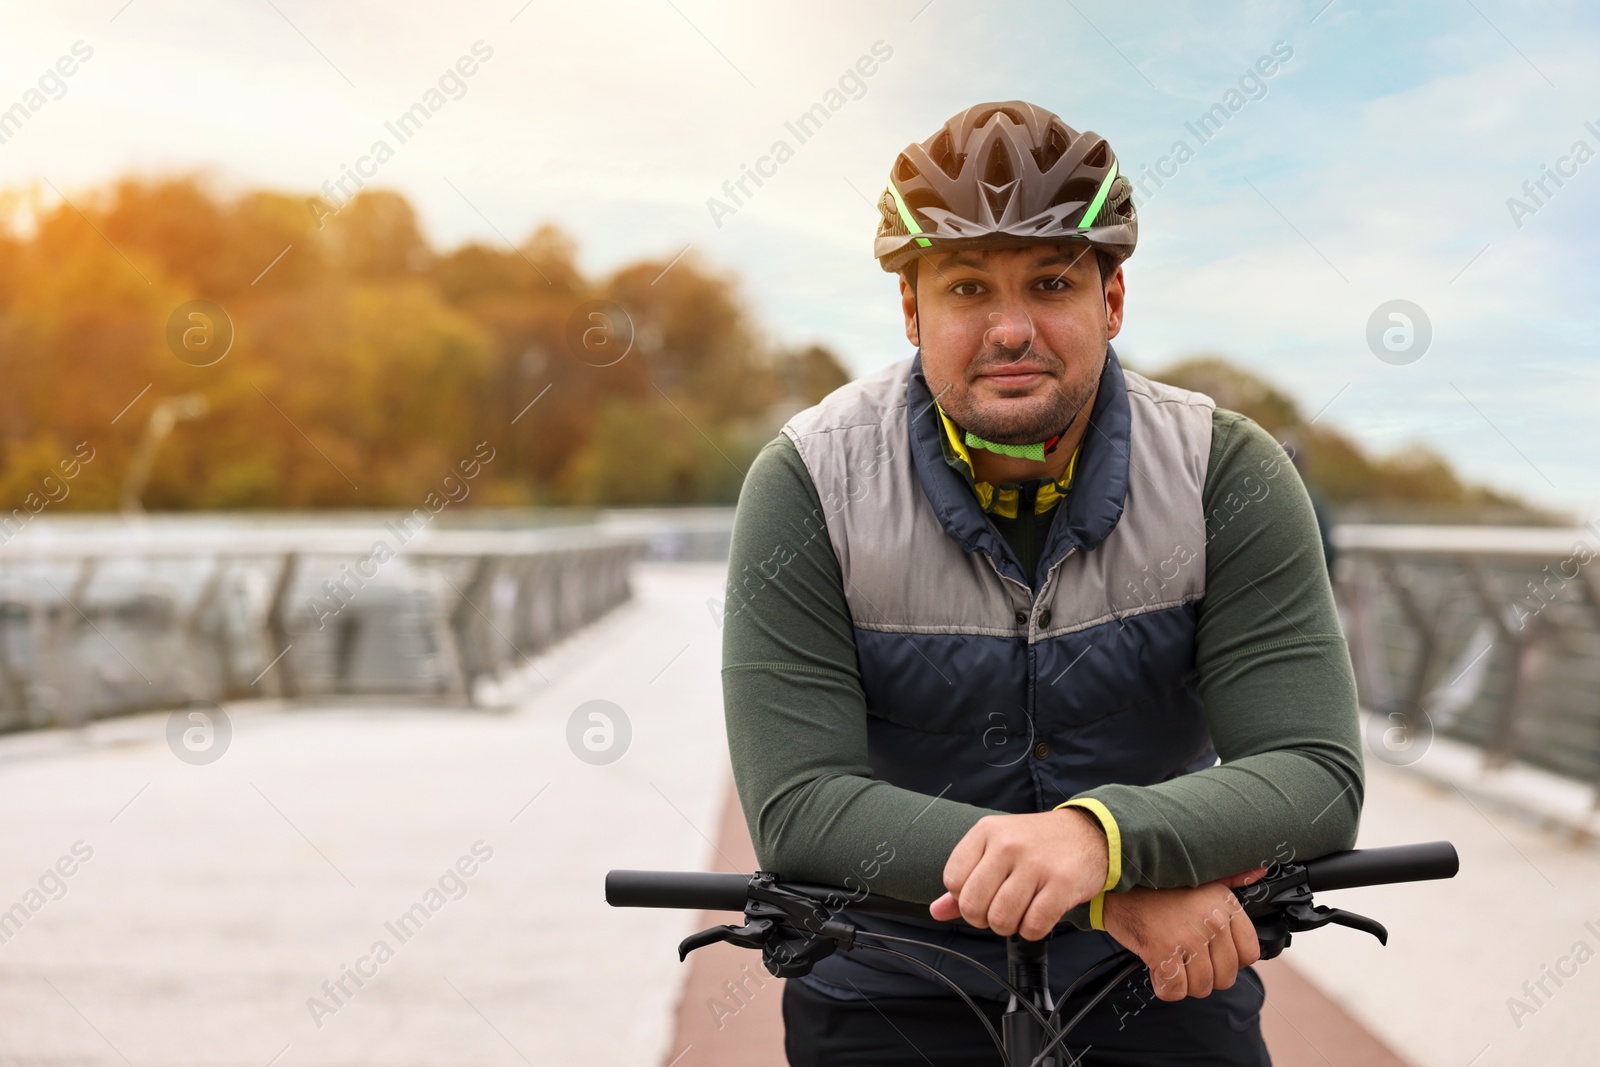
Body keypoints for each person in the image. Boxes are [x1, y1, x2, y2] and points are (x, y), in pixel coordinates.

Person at [721, 101, 1363, 1066]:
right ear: (912, 311)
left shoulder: (1226, 471)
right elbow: (801, 802)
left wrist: (1104, 837)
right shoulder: (807, 480)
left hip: (1160, 980)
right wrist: (1105, 879)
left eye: (1052, 282)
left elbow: (1315, 773)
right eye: (968, 287)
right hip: (889, 974)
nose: (1010, 327)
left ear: (1111, 299)